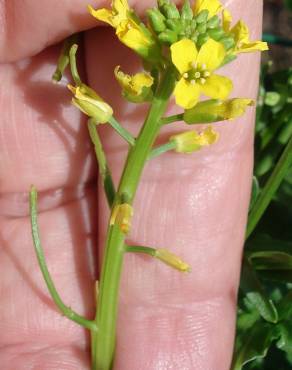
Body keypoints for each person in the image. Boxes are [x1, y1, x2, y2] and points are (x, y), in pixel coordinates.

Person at [0, 0, 263, 368]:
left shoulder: (192, 84)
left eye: (196, 75)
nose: (194, 77)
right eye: (191, 73)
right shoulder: (183, 74)